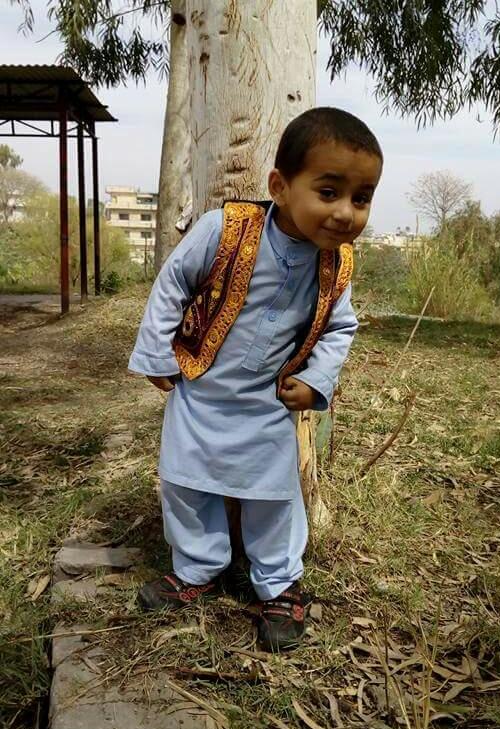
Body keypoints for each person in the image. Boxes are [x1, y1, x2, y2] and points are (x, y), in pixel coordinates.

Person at [128, 107, 383, 651]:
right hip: (199, 394)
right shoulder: (225, 230)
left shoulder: (336, 266)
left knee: (275, 496)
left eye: (361, 198)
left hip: (268, 404)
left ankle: (280, 584)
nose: (345, 213)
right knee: (185, 483)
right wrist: (156, 354)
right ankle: (196, 568)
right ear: (279, 186)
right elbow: (173, 283)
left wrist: (317, 381)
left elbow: (341, 327)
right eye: (329, 192)